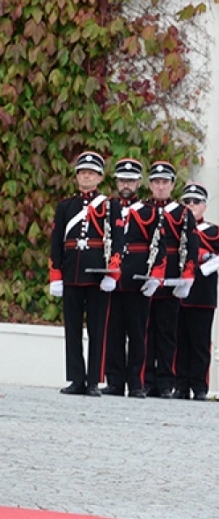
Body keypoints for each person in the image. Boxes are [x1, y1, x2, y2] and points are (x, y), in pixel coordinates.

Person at [49, 151, 120, 396]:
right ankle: (76, 379)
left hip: (98, 275)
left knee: (98, 329)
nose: (86, 177)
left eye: (91, 173)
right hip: (71, 273)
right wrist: (56, 275)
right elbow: (56, 242)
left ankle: (93, 381)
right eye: (82, 173)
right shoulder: (66, 206)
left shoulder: (110, 206)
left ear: (100, 178)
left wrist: (113, 274)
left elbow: (118, 242)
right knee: (72, 329)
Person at [141, 161, 198, 398]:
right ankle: (146, 380)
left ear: (172, 185)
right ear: (150, 185)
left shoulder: (182, 213)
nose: (160, 186)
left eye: (165, 182)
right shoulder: (143, 209)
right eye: (156, 182)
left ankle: (165, 382)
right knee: (145, 331)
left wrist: (187, 276)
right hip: (145, 278)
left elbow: (190, 245)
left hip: (171, 277)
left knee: (166, 332)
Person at [101, 158, 143, 396]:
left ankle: (136, 383)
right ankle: (115, 381)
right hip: (112, 278)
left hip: (136, 277)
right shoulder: (107, 208)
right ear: (116, 182)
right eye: (122, 180)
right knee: (113, 332)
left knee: (137, 333)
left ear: (138, 182)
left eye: (131, 180)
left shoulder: (148, 210)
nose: (126, 184)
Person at [174, 182, 217, 400]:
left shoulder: (213, 231)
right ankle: (180, 385)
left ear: (204, 206)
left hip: (202, 294)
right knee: (179, 341)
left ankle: (199, 386)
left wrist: (206, 260)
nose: (191, 205)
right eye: (187, 202)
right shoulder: (175, 228)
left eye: (196, 202)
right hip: (178, 293)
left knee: (199, 343)